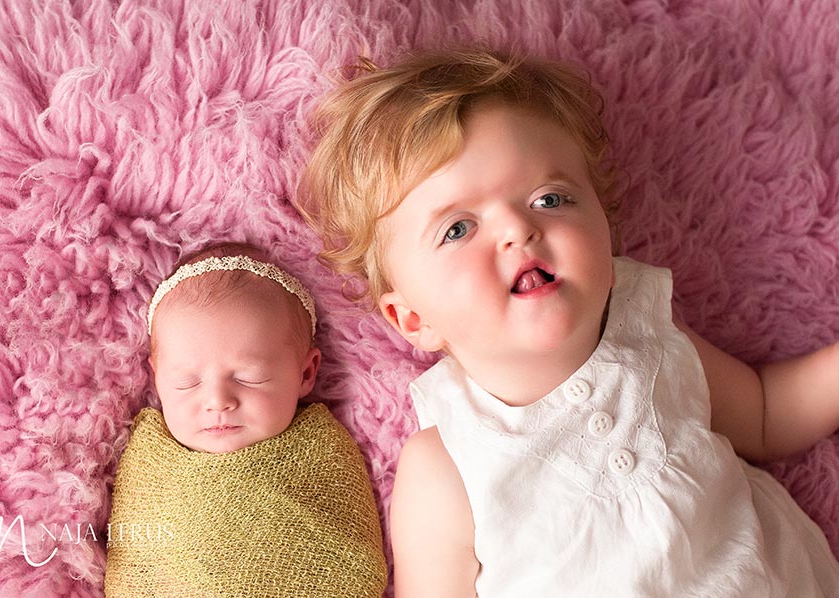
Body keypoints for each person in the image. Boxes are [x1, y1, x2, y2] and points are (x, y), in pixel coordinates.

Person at [297, 48, 839, 596]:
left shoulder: (651, 337)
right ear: (414, 318)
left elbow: (767, 413)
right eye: (458, 229)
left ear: (606, 234)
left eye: (549, 198)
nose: (517, 228)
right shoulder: (446, 466)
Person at [104, 242, 387, 598]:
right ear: (157, 377)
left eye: (248, 378)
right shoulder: (149, 459)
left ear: (305, 373)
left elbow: (352, 559)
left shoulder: (321, 451)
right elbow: (132, 564)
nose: (218, 401)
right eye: (187, 382)